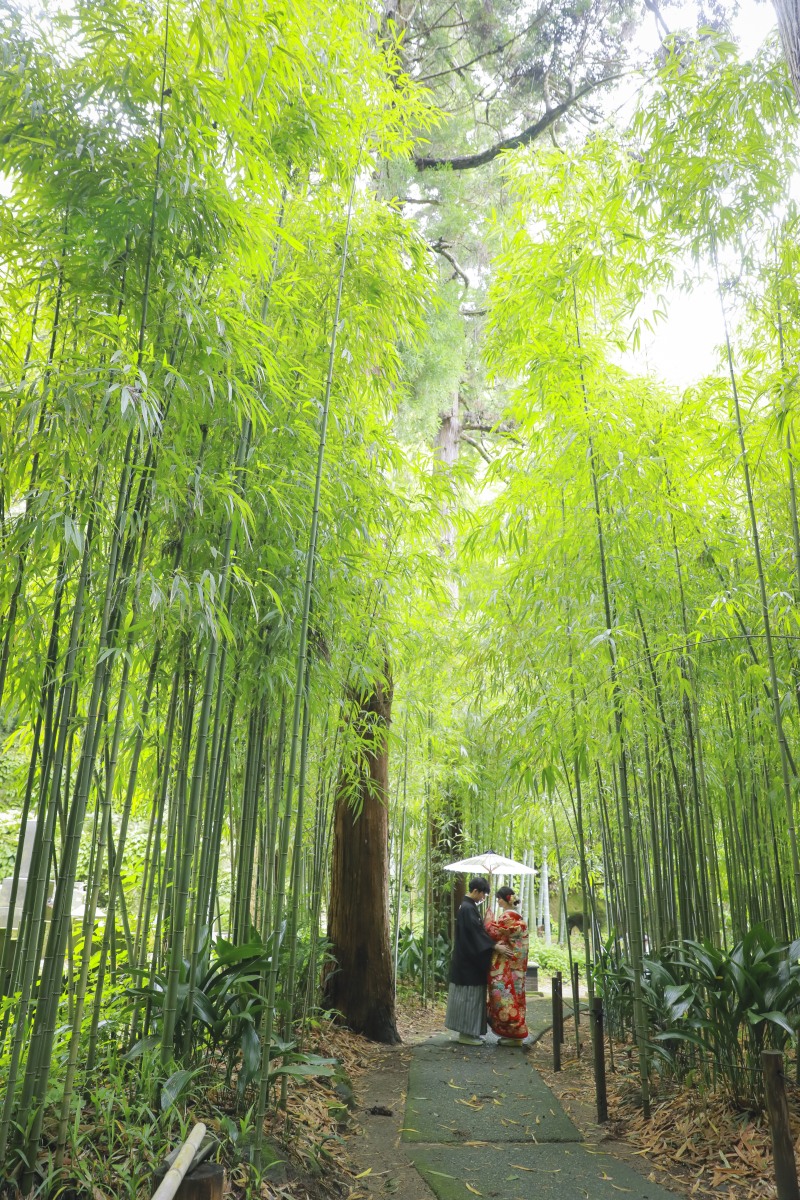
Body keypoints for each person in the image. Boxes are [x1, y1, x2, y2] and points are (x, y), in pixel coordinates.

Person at [445, 876, 507, 1045]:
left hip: (468, 960)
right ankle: (466, 1034)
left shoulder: (468, 907)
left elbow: (477, 931)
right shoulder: (467, 908)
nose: (483, 898)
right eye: (483, 895)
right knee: (468, 997)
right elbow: (475, 934)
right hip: (468, 963)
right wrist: (494, 946)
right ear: (475, 891)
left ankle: (471, 1033)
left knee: (471, 997)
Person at [484, 885, 529, 1045]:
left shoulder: (507, 917)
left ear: (505, 900)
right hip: (517, 966)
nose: (498, 902)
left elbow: (493, 932)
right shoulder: (517, 916)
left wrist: (488, 919)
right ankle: (515, 1034)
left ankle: (513, 1034)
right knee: (516, 997)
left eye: (499, 899)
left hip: (507, 967)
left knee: (504, 998)